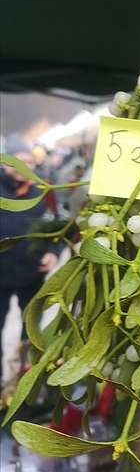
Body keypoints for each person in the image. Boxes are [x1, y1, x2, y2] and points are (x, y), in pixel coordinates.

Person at [0, 136, 59, 353]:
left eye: (30, 163)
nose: (25, 167)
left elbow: (58, 225)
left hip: (32, 273)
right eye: (19, 161)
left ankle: (25, 369)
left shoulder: (44, 192)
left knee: (31, 326)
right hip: (1, 274)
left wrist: (54, 251)